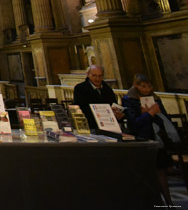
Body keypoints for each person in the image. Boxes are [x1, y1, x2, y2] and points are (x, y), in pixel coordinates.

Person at [122, 74, 178, 206]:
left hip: (157, 138)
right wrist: (149, 114)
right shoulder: (129, 99)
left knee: (161, 170)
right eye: (143, 86)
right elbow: (134, 123)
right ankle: (153, 201)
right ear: (136, 85)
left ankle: (167, 202)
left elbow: (164, 118)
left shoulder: (155, 98)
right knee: (149, 171)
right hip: (142, 138)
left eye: (149, 86)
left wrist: (152, 114)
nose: (146, 89)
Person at [72, 65, 123, 130]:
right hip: (91, 126)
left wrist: (117, 114)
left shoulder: (107, 89)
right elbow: (80, 108)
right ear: (88, 74)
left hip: (108, 125)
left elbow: (113, 105)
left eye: (100, 76)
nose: (97, 79)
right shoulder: (80, 88)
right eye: (94, 75)